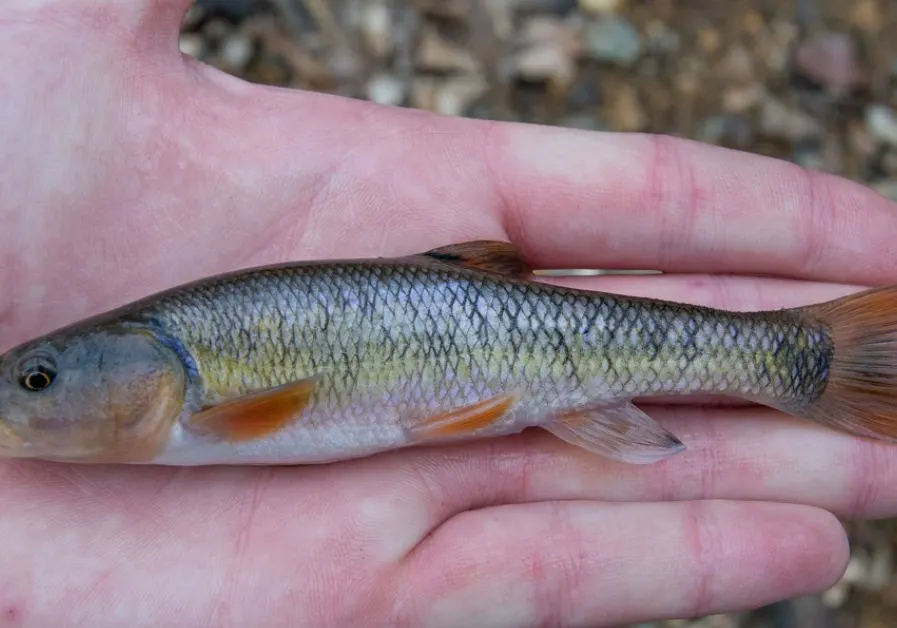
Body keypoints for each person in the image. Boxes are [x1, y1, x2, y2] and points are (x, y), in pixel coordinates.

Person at [3, 1, 897, 625]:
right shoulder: (179, 373)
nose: (25, 391)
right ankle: (801, 358)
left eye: (36, 377)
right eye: (32, 380)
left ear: (131, 362)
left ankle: (804, 359)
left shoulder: (201, 386)